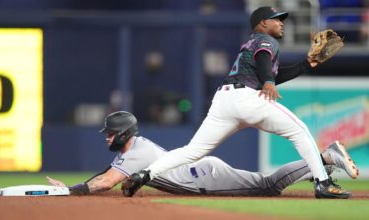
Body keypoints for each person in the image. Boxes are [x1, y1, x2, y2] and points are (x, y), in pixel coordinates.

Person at [122, 6, 357, 199]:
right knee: (300, 130)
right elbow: (265, 62)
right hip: (247, 98)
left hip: (224, 101)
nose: (282, 23)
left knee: (192, 151)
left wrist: (307, 63)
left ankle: (144, 175)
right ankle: (323, 183)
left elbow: (275, 73)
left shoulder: (253, 42)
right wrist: (267, 82)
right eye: (276, 19)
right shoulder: (266, 41)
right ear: (263, 24)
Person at [47, 111, 358, 197]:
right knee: (266, 183)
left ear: (125, 134)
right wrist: (77, 186)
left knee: (268, 186)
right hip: (201, 171)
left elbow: (106, 182)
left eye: (111, 134)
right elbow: (105, 172)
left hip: (203, 178)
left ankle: (326, 157)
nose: (108, 138)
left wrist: (70, 192)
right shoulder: (134, 150)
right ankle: (323, 159)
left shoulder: (135, 154)